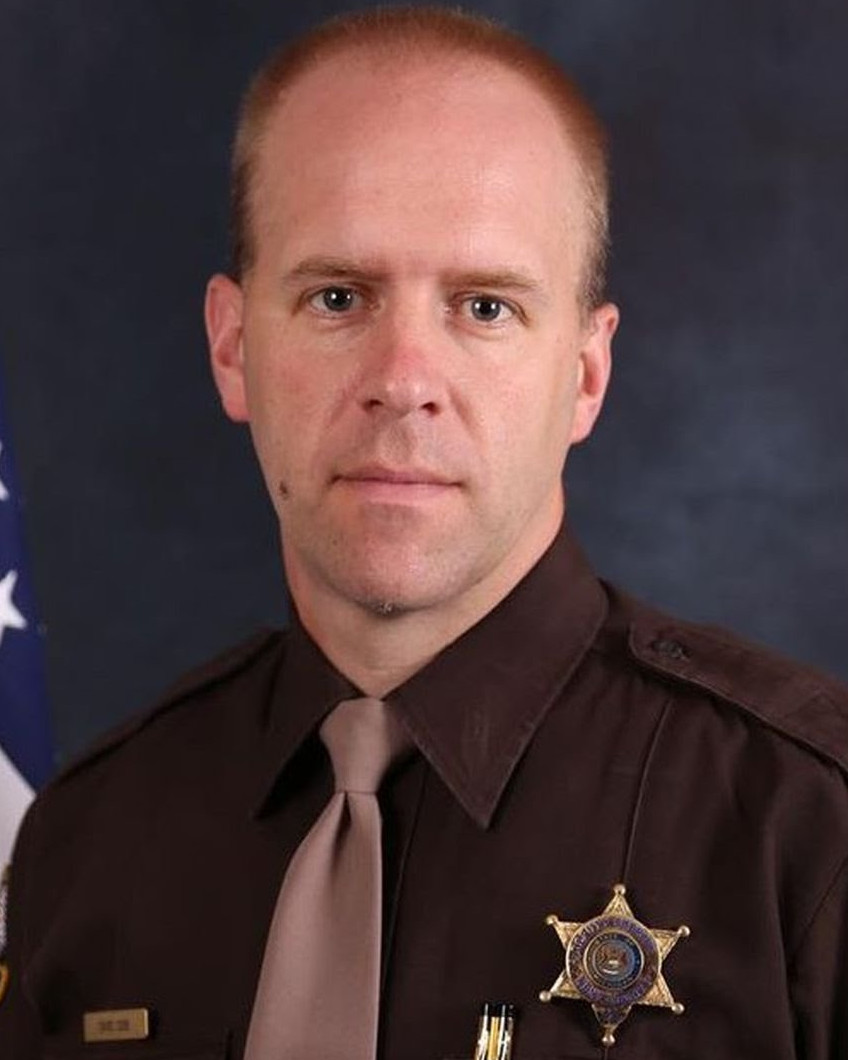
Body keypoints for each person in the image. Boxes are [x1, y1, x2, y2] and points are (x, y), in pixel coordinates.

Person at [2, 6, 847, 1059]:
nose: (403, 381)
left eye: (484, 306)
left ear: (585, 375)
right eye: (337, 297)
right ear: (231, 348)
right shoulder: (88, 841)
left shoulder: (806, 829)